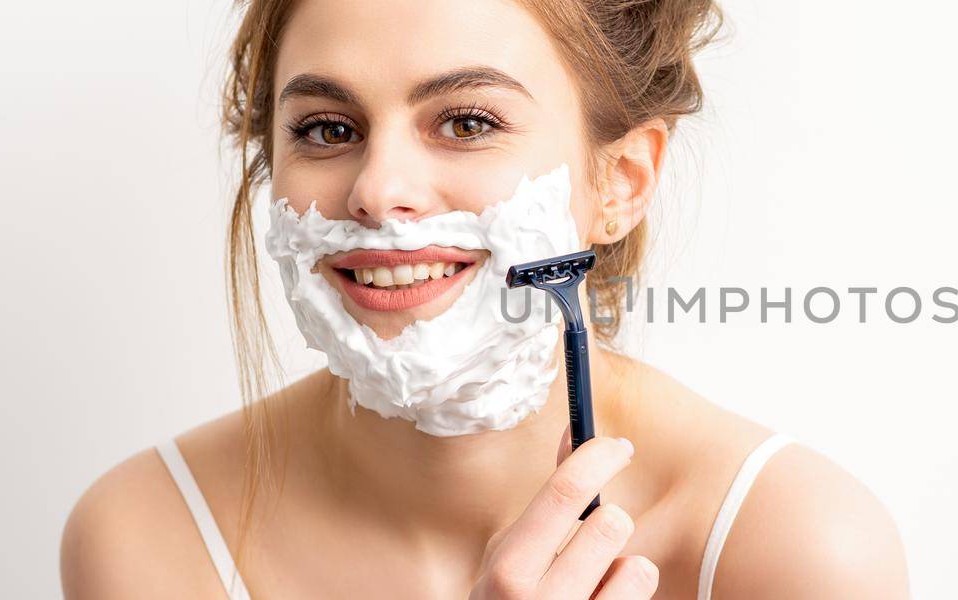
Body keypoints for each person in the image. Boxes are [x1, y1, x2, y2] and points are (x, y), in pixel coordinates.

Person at [60, 0, 909, 597]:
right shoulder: (148, 536)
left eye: (467, 122)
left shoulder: (797, 548)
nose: (378, 190)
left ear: (620, 180)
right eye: (327, 128)